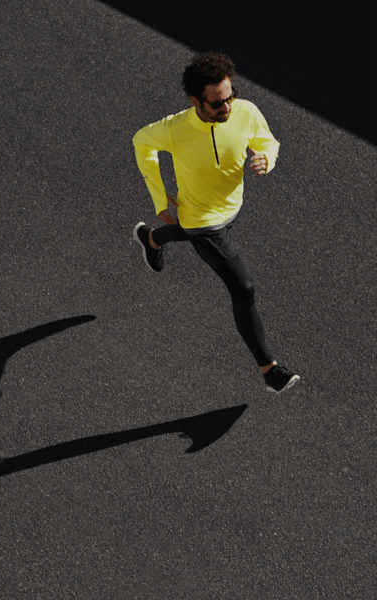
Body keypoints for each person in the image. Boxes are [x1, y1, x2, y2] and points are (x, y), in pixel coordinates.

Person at [132, 52, 299, 394]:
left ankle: (152, 239)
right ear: (196, 101)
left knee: (190, 232)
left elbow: (267, 140)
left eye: (230, 96)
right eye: (217, 103)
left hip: (231, 207)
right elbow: (141, 143)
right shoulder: (175, 129)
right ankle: (270, 371)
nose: (227, 107)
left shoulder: (245, 111)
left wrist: (266, 158)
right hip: (202, 221)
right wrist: (160, 199)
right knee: (243, 288)